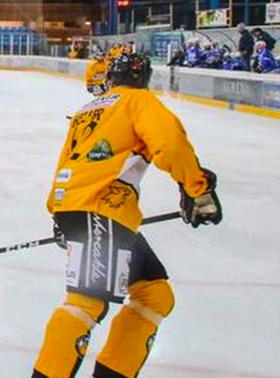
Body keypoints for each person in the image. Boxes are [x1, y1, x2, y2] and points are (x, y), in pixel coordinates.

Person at [31, 52, 222, 378]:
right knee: (86, 301)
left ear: (110, 78)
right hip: (102, 208)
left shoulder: (89, 109)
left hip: (87, 207)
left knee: (155, 294)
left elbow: (69, 161)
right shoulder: (138, 100)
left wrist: (60, 210)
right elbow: (170, 144)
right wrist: (197, 189)